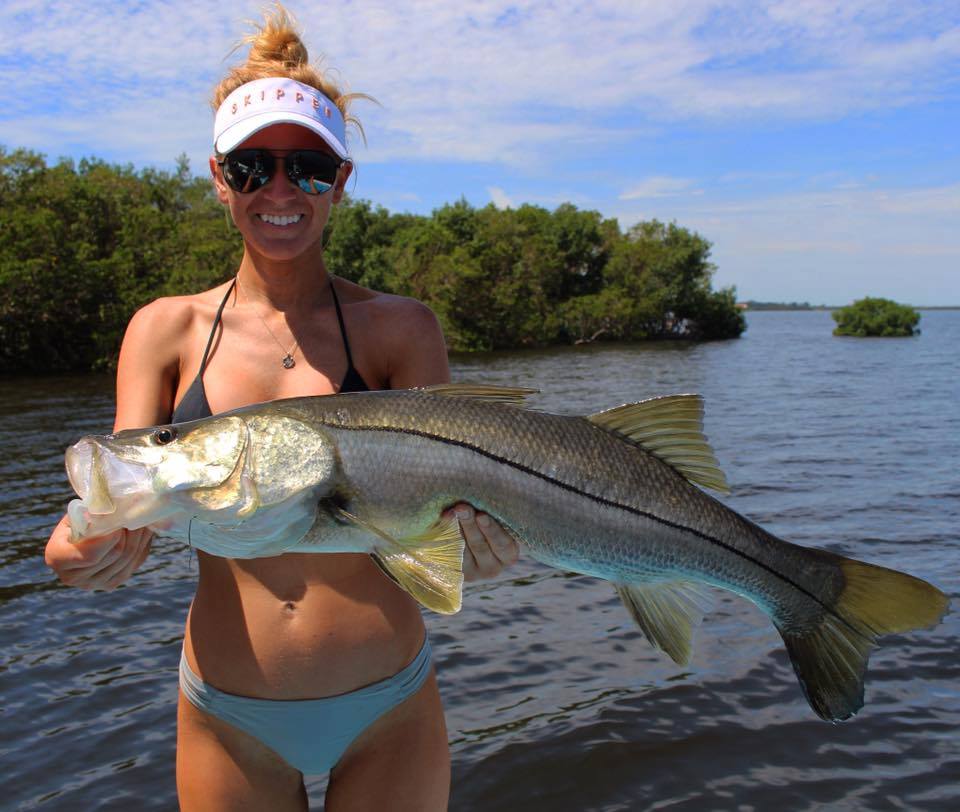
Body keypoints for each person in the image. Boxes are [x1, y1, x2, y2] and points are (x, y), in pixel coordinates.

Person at [43, 7, 519, 810]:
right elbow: (122, 490)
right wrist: (78, 547)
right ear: (217, 175)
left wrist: (479, 547)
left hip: (390, 704)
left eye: (307, 167)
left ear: (340, 180)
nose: (279, 191)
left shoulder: (402, 329)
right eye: (253, 167)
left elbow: (450, 524)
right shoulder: (163, 330)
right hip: (228, 716)